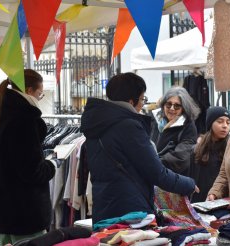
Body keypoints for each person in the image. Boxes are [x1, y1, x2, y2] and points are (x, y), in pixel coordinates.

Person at [80, 73, 198, 223]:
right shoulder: (128, 126)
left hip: (104, 207)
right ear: (131, 101)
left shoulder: (97, 123)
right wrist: (189, 184)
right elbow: (157, 173)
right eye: (142, 99)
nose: (143, 104)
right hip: (130, 212)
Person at [0, 69, 56, 246]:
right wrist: (52, 164)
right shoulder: (24, 119)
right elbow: (32, 171)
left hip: (3, 215)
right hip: (25, 215)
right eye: (40, 94)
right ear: (29, 91)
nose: (39, 98)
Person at [154, 87, 200, 175]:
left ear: (184, 108)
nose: (172, 108)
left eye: (177, 106)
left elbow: (180, 157)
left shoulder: (188, 126)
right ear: (163, 105)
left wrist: (153, 163)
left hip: (172, 178)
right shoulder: (155, 120)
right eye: (168, 104)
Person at [189, 106, 230, 203]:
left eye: (228, 122)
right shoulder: (196, 149)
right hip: (198, 200)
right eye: (220, 122)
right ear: (210, 123)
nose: (225, 126)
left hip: (221, 201)